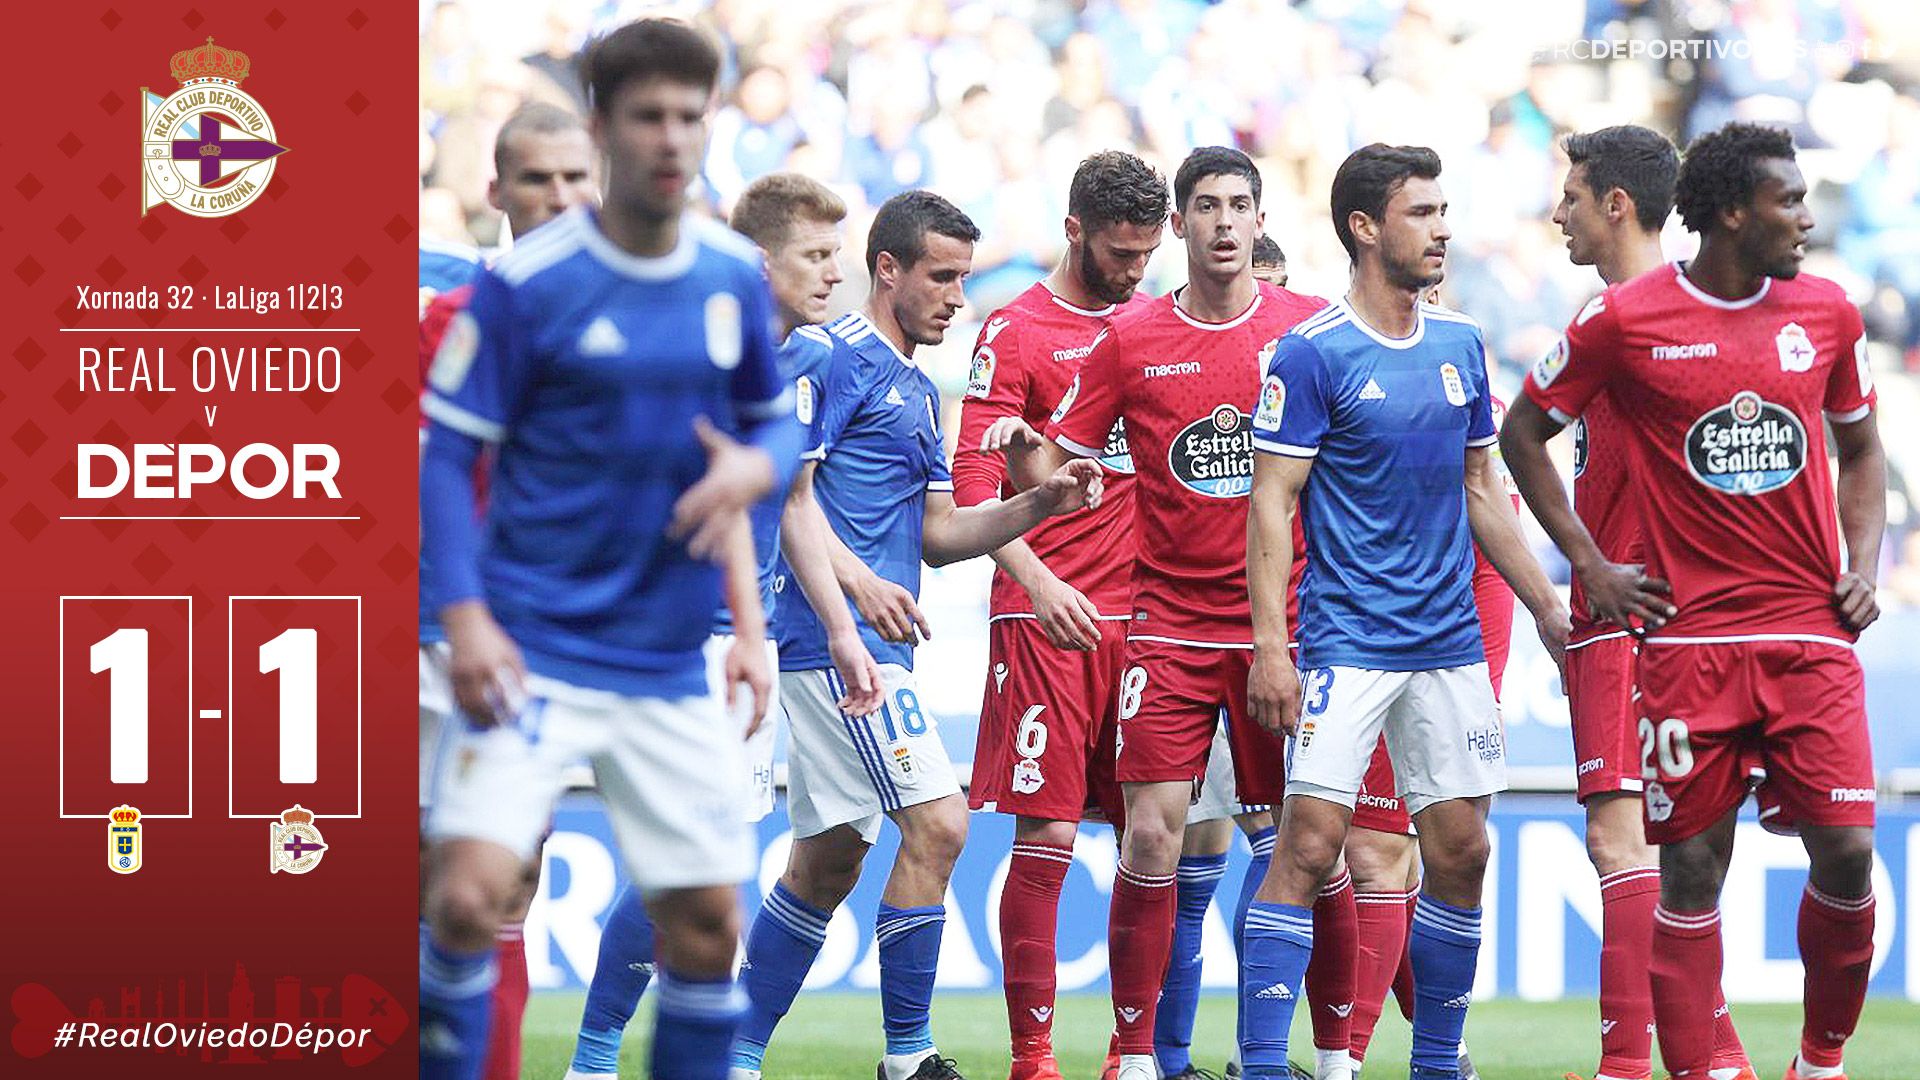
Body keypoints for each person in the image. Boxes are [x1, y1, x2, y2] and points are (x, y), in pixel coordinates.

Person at [418, 20, 800, 1080]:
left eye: (690, 115)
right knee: (462, 894)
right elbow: (444, 462)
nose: (672, 137)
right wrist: (466, 620)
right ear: (605, 126)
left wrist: (753, 476)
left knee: (707, 929)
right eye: (649, 116)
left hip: (666, 663)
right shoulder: (524, 289)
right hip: (533, 649)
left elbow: (772, 426)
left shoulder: (727, 277)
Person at [1502, 122, 1886, 1080]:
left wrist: (1866, 564)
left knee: (1846, 854)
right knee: (1687, 871)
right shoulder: (1622, 322)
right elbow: (1522, 433)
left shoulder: (1830, 313)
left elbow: (1864, 450)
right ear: (1729, 213)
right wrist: (1585, 562)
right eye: (1788, 201)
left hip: (1810, 632)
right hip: (1685, 640)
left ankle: (1819, 1061)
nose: (1806, 215)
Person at [731, 189, 1106, 1080]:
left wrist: (1036, 502)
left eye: (964, 279)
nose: (955, 297)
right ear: (886, 269)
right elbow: (791, 494)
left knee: (828, 860)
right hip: (834, 645)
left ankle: (734, 1053)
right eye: (940, 276)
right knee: (940, 824)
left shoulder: (911, 387)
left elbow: (939, 535)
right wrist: (858, 588)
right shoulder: (830, 357)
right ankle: (908, 1057)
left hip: (872, 645)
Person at [999, 146, 1334, 1080]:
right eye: (1206, 207)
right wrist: (1031, 453)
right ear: (1181, 225)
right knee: (1150, 833)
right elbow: (1060, 470)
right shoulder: (1132, 339)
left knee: (1309, 843)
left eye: (1240, 205)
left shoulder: (1309, 332)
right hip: (1170, 626)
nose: (1225, 222)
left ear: (1260, 220)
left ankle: (1333, 1056)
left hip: (1288, 626)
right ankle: (1136, 1056)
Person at [1241, 143, 1569, 1080]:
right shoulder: (1311, 355)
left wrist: (1545, 602)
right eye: (1422, 213)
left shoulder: (1462, 344)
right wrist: (1274, 649)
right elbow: (1272, 501)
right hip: (1347, 642)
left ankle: (1435, 1063)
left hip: (1450, 644)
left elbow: (1481, 487)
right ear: (1364, 228)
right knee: (1307, 847)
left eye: (1443, 209)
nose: (1443, 229)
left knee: (1461, 852)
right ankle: (1267, 1063)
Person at [562, 171, 850, 1080]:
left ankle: (619, 1058)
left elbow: (796, 501)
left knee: (706, 862)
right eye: (816, 256)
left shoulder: (810, 362)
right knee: (688, 866)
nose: (833, 275)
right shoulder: (690, 355)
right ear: (762, 264)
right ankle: (599, 1056)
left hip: (744, 642)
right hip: (675, 636)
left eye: (837, 254)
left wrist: (836, 631)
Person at [950, 150, 1167, 1080]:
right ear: (1075, 230)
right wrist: (1039, 583)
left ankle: (1134, 1053)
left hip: (1154, 622)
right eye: (1121, 253)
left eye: (1148, 253)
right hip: (1048, 619)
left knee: (1154, 836)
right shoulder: (1018, 330)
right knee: (1045, 835)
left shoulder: (1166, 324)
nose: (1135, 271)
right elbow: (966, 496)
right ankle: (1033, 1058)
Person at [1547, 124, 1757, 1080]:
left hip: (1636, 614)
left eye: (1575, 196)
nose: (1562, 212)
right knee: (1667, 854)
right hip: (1646, 614)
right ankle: (1719, 1062)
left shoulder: (1636, 319)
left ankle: (1628, 1067)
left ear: (1617, 205)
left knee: (1621, 840)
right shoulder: (1653, 311)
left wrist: (1592, 569)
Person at [416, 100, 599, 1080]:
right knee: (444, 891)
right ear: (497, 194)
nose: (562, 199)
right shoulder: (451, 311)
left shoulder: (645, 313)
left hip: (548, 638)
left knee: (508, 883)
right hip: (438, 633)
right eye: (539, 180)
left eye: (578, 180)